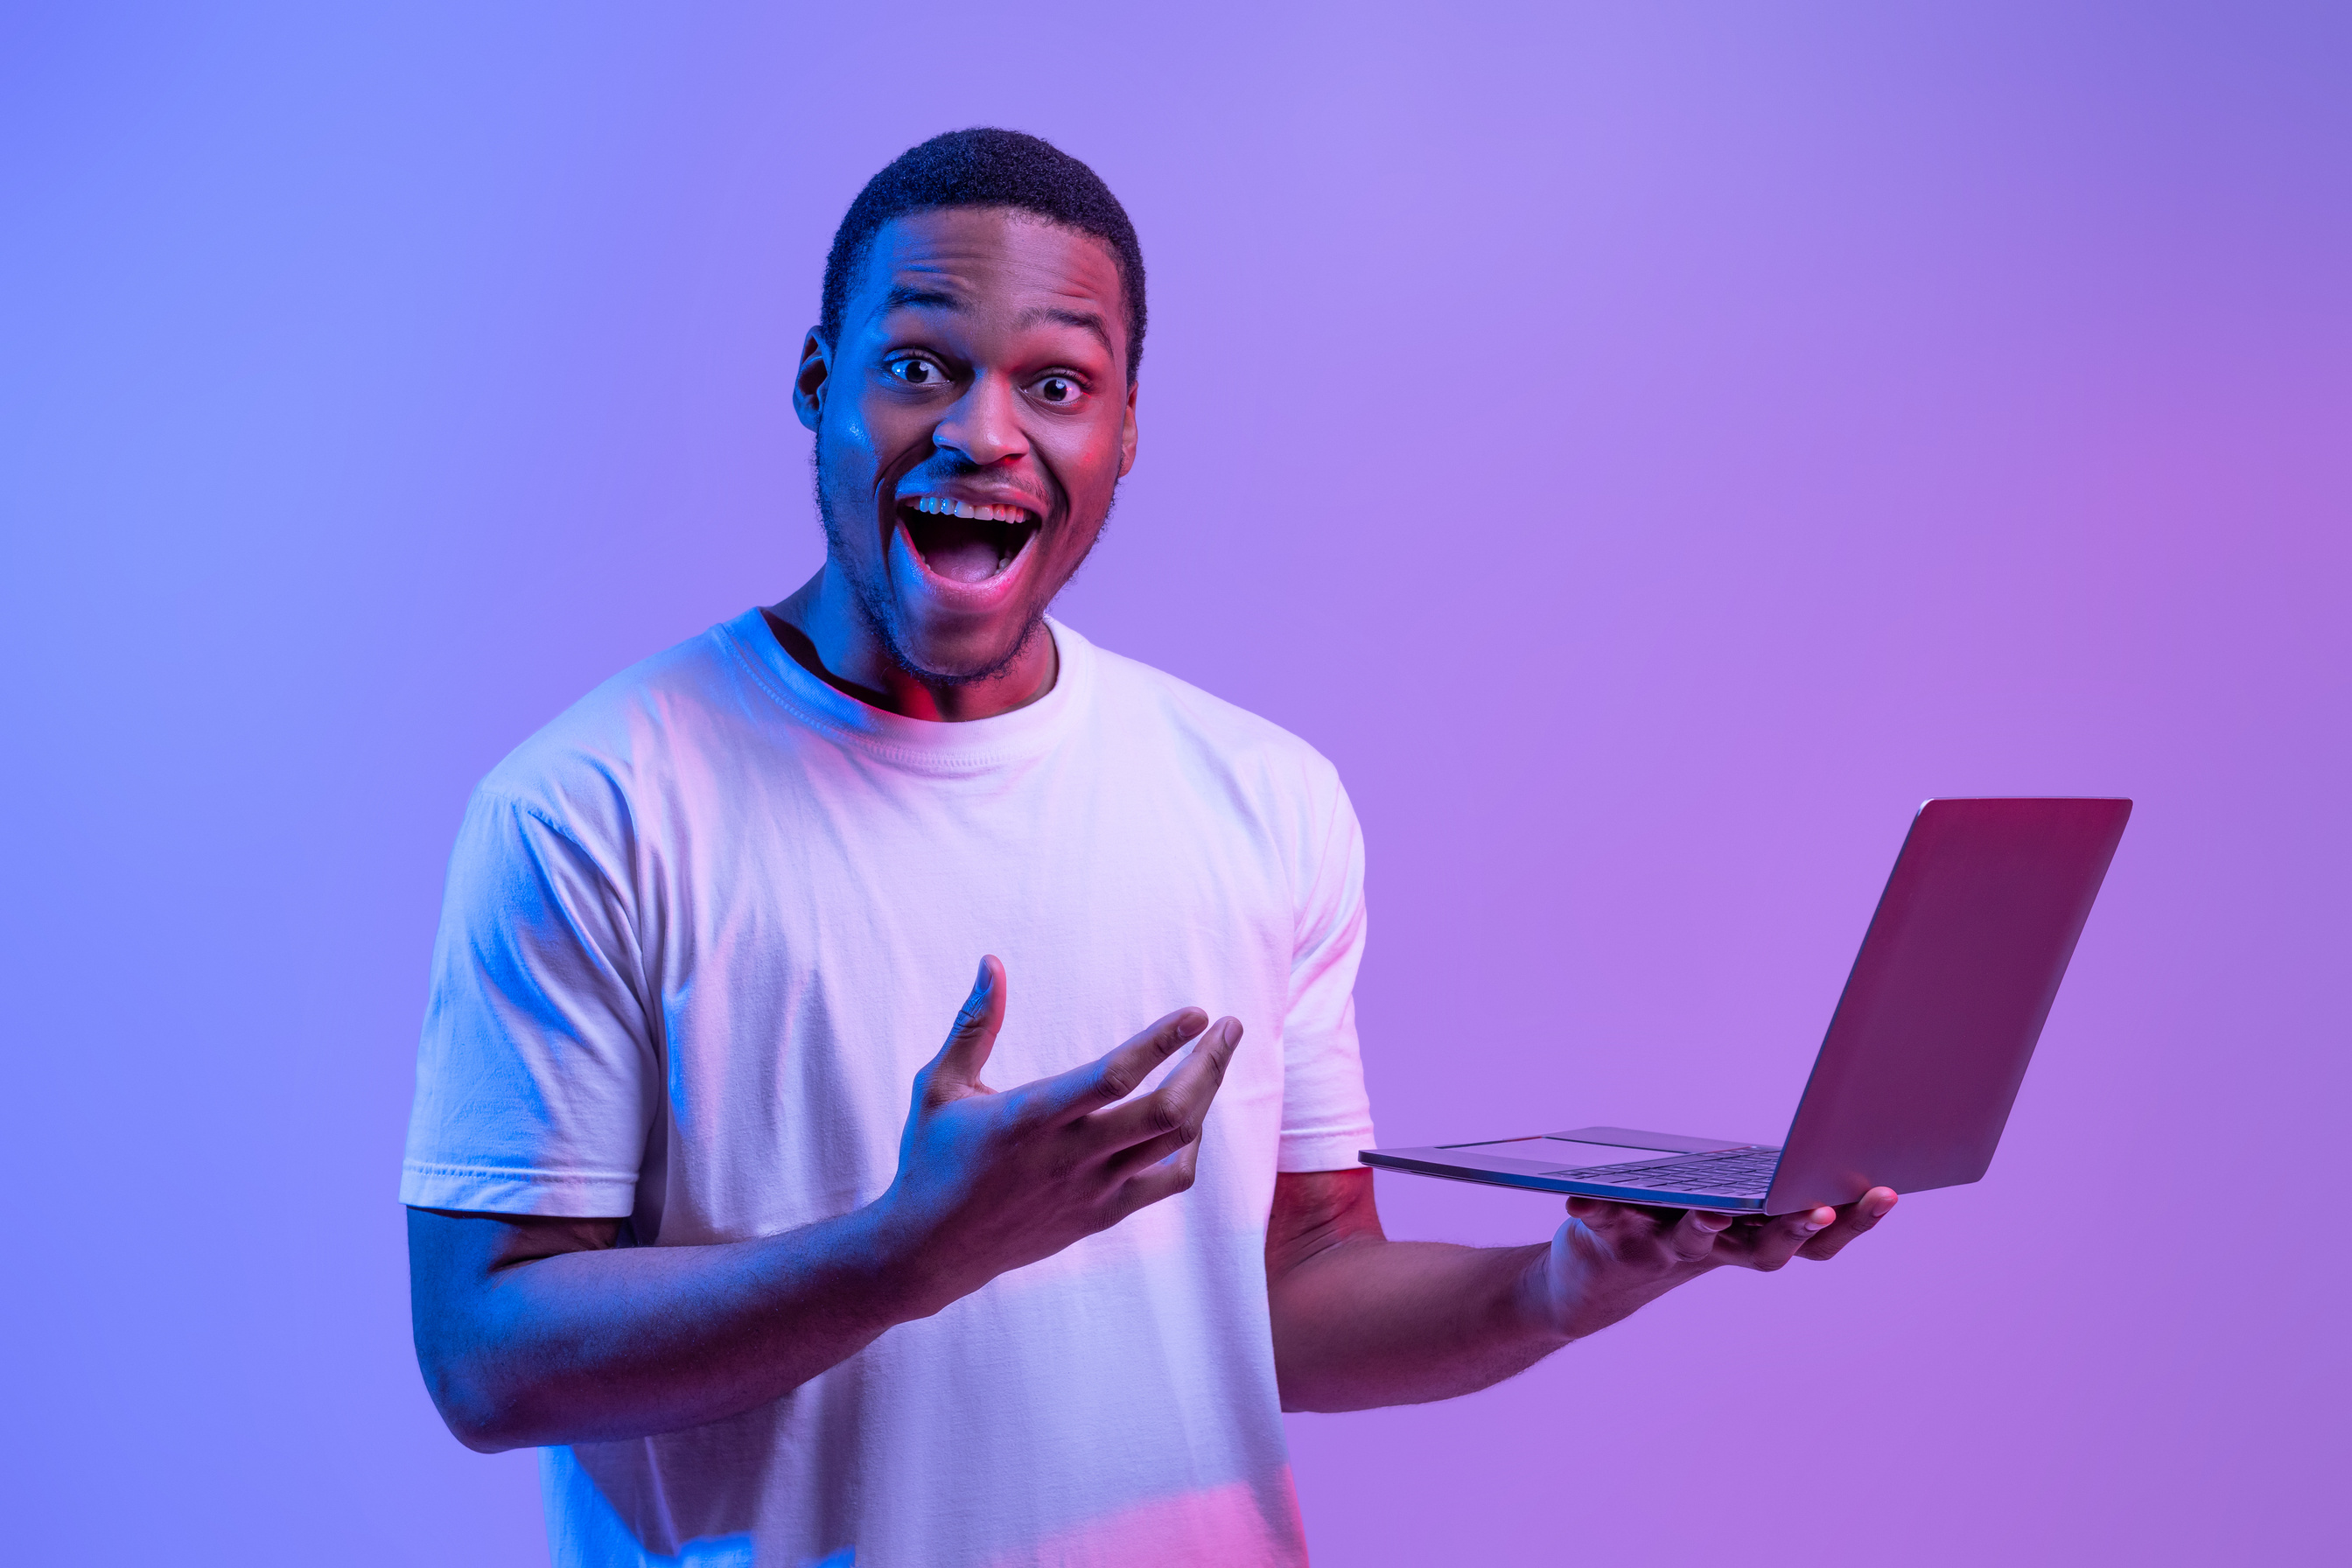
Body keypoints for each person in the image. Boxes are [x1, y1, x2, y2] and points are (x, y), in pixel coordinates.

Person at [402, 127, 1898, 1568]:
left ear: (1123, 433)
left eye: (1055, 384)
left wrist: (1569, 1285)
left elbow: (1290, 1295)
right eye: (918, 366)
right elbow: (484, 1357)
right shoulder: (592, 806)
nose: (982, 432)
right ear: (817, 383)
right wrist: (912, 1251)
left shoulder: (1262, 796)